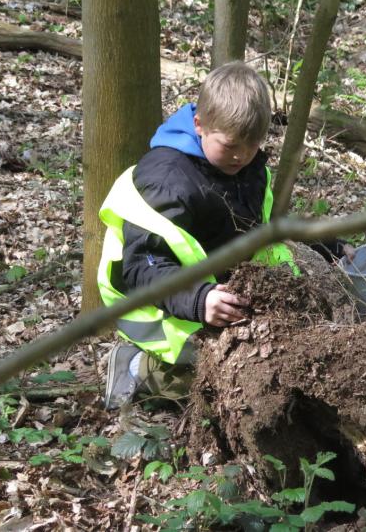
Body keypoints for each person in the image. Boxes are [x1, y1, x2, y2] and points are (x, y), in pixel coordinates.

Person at [97, 61, 349, 409]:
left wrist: (329, 247)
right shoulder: (168, 181)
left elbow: (266, 223)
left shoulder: (245, 165)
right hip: (154, 308)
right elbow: (142, 267)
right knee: (231, 376)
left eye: (252, 144)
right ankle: (137, 368)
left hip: (214, 289)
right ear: (200, 125)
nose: (242, 155)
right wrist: (200, 300)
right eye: (231, 145)